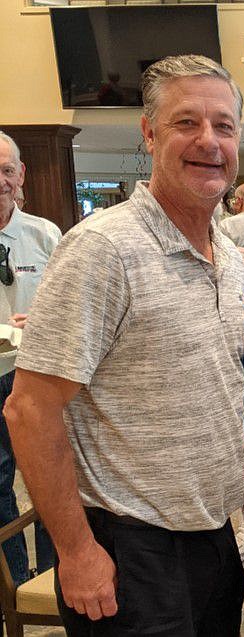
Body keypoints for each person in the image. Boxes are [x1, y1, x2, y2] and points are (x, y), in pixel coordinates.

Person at [5, 54, 244, 636]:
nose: (208, 141)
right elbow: (28, 410)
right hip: (130, 551)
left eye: (224, 125)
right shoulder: (103, 249)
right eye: (186, 122)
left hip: (213, 541)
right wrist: (77, 551)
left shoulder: (231, 258)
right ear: (148, 133)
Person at [0, 131, 59, 586]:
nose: (0, 181)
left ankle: (56, 574)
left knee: (48, 474)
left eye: (6, 170)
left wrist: (41, 317)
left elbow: (66, 306)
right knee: (0, 483)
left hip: (39, 376)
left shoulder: (45, 234)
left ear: (21, 175)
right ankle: (16, 581)